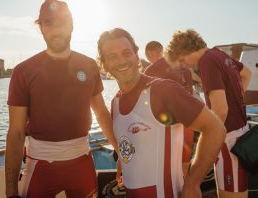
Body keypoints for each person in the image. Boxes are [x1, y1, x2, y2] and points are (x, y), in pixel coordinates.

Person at [5, 0, 118, 198]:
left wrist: (122, 155)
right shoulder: (24, 71)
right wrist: (11, 189)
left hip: (82, 161)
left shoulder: (89, 65)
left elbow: (101, 112)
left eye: (62, 21)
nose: (56, 28)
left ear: (72, 24)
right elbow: (15, 132)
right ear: (40, 28)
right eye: (48, 22)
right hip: (40, 166)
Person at [97, 27, 226, 198]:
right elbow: (128, 141)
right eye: (112, 56)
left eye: (126, 53)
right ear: (104, 64)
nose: (121, 61)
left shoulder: (163, 90)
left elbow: (216, 128)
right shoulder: (116, 102)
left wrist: (193, 184)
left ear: (137, 56)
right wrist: (123, 159)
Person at [166, 29, 252, 198]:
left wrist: (207, 141)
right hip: (241, 134)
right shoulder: (219, 55)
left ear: (186, 49)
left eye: (182, 60)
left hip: (227, 140)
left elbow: (220, 111)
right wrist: (236, 98)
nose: (185, 65)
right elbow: (246, 74)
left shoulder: (206, 61)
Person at [144, 41, 195, 176]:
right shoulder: (183, 68)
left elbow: (144, 102)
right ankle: (186, 188)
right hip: (188, 123)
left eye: (148, 54)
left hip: (167, 125)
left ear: (151, 53)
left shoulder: (150, 70)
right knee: (184, 162)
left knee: (167, 167)